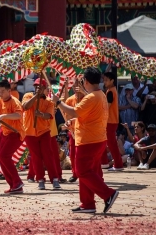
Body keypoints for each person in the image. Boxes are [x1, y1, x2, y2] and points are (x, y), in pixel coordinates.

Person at [53, 67, 119, 214]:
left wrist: (58, 102)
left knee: (82, 171)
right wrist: (74, 122)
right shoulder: (100, 94)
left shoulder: (91, 97)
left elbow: (74, 111)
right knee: (88, 171)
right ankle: (87, 203)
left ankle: (108, 194)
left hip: (89, 140)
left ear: (86, 81)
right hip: (96, 138)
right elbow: (85, 116)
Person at [22, 78, 60, 190]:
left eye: (41, 87)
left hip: (44, 132)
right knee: (36, 157)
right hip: (29, 132)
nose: (38, 89)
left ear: (45, 89)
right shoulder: (28, 96)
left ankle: (55, 179)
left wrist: (41, 115)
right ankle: (40, 179)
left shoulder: (49, 101)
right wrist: (35, 96)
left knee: (48, 155)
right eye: (36, 87)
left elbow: (49, 115)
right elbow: (25, 107)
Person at [63, 80, 84, 183]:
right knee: (72, 154)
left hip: (84, 131)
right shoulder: (71, 99)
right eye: (74, 84)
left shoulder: (86, 98)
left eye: (78, 84)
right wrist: (68, 124)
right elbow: (66, 113)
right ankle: (75, 173)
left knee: (83, 154)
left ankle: (83, 173)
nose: (76, 86)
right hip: (73, 131)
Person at [102, 72, 124, 171]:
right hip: (112, 120)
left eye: (106, 80)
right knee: (110, 143)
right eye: (104, 80)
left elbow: (107, 106)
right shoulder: (112, 90)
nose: (104, 82)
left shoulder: (110, 91)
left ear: (112, 80)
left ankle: (118, 164)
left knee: (111, 144)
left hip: (110, 121)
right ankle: (111, 163)